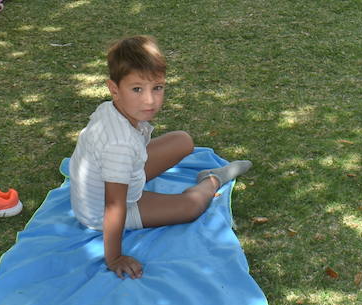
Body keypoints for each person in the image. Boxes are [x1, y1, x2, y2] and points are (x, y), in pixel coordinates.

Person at [68, 35, 253, 279]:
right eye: (137, 89)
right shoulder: (119, 145)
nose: (150, 100)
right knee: (190, 207)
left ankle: (199, 177)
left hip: (121, 177)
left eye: (157, 88)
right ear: (114, 88)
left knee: (182, 141)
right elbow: (115, 205)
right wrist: (114, 258)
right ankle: (213, 179)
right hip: (103, 210)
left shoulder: (116, 110)